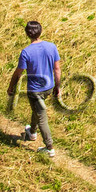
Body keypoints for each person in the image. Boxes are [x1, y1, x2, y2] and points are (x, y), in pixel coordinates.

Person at [7, 20, 61, 158]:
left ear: (27, 34)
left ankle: (49, 147)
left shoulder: (26, 52)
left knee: (41, 117)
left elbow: (18, 73)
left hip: (35, 90)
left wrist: (11, 87)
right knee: (37, 109)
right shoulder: (51, 46)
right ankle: (32, 132)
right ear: (40, 31)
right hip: (48, 87)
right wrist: (57, 86)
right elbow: (57, 69)